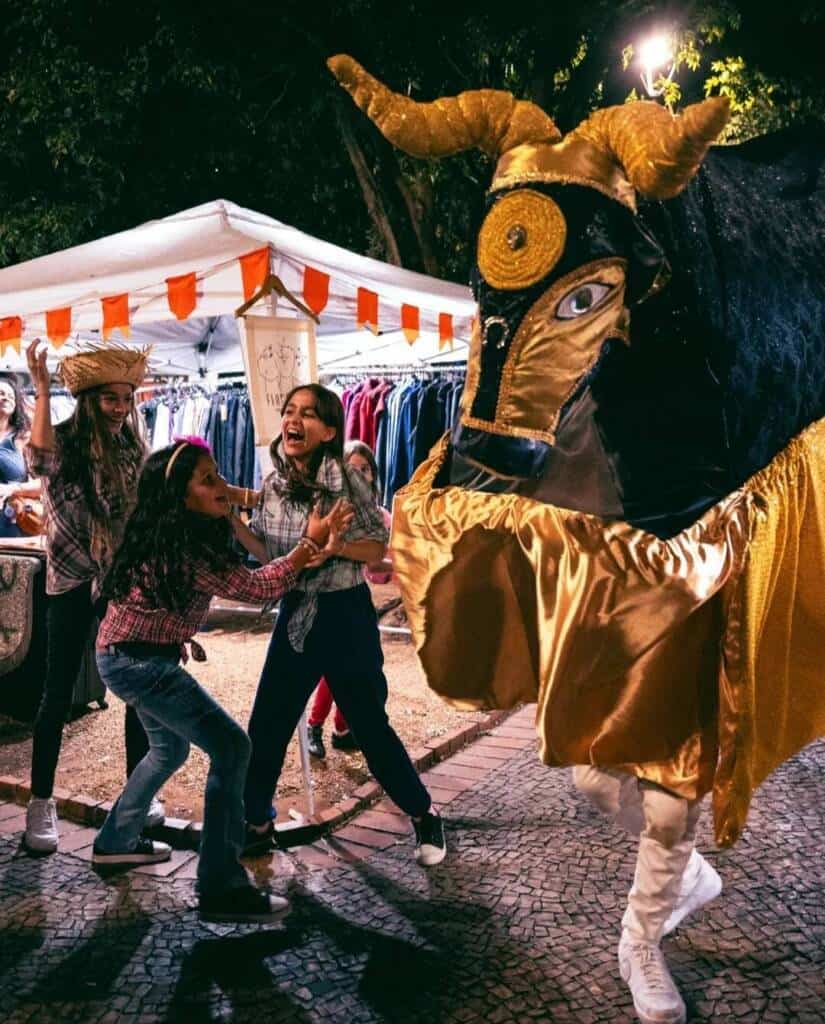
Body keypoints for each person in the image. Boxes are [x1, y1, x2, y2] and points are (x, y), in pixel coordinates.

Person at [92, 438, 350, 922]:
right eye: (207, 479)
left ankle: (115, 842)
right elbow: (256, 587)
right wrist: (309, 545)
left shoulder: (169, 534)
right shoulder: (186, 547)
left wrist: (303, 549)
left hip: (125, 657)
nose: (221, 485)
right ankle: (221, 886)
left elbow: (259, 566)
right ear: (179, 494)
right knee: (233, 748)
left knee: (169, 750)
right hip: (141, 665)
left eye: (217, 474)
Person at [240, 384, 446, 866]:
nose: (295, 420)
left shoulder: (351, 482)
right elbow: (272, 554)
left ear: (330, 429)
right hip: (297, 611)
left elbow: (377, 550)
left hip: (345, 612)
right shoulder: (274, 484)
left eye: (309, 414)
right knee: (267, 722)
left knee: (370, 725)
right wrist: (233, 522)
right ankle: (256, 821)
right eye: (289, 411)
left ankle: (424, 815)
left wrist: (334, 550)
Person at [23, 340, 155, 853]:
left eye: (126, 398)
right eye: (110, 399)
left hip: (119, 581)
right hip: (72, 581)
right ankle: (40, 804)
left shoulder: (130, 449)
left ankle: (134, 803)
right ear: (89, 399)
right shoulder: (67, 441)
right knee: (55, 693)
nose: (121, 408)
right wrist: (39, 389)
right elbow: (37, 459)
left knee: (137, 689)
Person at [306, 439, 393, 759]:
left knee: (365, 670)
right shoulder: (329, 511)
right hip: (330, 600)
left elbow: (377, 563)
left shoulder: (379, 515)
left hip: (359, 602)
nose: (359, 474)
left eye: (365, 469)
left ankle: (343, 729)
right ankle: (316, 725)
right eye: (352, 468)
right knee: (337, 669)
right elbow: (373, 561)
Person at [0, 372, 39, 538]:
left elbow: (45, 483)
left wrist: (12, 488)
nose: (6, 398)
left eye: (11, 396)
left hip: (11, 525)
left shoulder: (24, 438)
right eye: (1, 394)